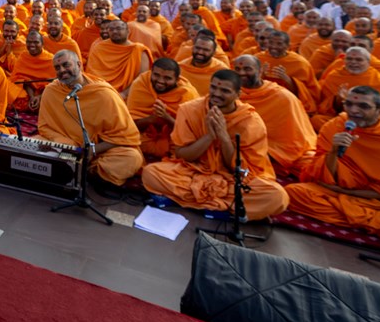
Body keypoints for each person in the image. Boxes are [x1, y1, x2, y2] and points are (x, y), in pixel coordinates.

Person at [284, 86, 380, 249]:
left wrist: (347, 192)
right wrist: (333, 151)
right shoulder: (335, 126)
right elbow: (323, 177)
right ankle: (373, 225)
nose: (354, 111)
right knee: (294, 192)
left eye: (363, 106)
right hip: (341, 194)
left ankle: (358, 221)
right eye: (349, 104)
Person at [142, 69, 289, 220]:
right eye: (213, 88)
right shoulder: (189, 110)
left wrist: (224, 137)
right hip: (194, 171)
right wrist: (210, 137)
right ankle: (225, 207)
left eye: (224, 90)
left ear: (238, 94)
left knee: (277, 196)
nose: (217, 94)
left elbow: (242, 170)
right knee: (150, 173)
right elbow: (182, 154)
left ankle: (182, 198)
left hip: (230, 179)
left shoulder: (251, 122)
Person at [37, 49, 144, 187]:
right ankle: (76, 168)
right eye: (57, 68)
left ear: (79, 64)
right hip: (67, 146)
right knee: (33, 144)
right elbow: (44, 126)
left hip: (100, 152)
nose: (62, 70)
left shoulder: (103, 93)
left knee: (132, 158)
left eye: (66, 65)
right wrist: (66, 143)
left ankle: (86, 170)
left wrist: (92, 150)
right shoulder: (51, 91)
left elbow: (125, 136)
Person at [232, 55, 317, 177]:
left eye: (247, 69)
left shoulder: (283, 97)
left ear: (260, 71)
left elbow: (295, 139)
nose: (241, 73)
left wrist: (270, 153)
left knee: (312, 166)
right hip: (245, 149)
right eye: (237, 69)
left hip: (278, 152)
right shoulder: (231, 94)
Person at [126, 57, 199, 162]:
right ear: (151, 72)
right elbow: (129, 124)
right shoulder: (141, 83)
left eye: (167, 78)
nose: (160, 81)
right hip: (144, 136)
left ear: (177, 80)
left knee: (186, 150)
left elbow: (192, 132)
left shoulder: (187, 94)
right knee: (124, 139)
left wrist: (166, 117)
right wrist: (151, 119)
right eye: (156, 75)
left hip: (173, 140)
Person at [85, 19, 150, 96]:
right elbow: (92, 75)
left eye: (119, 29)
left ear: (128, 31)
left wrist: (124, 94)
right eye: (111, 29)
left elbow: (141, 78)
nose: (115, 31)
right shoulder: (99, 48)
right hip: (101, 93)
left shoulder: (139, 50)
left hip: (129, 95)